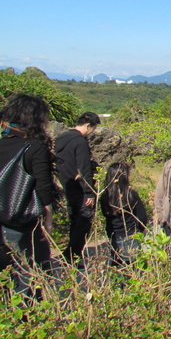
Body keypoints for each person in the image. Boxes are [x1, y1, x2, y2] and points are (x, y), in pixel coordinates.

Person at [0, 94, 55, 296]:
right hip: (20, 223)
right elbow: (43, 186)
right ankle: (28, 321)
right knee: (29, 277)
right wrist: (48, 216)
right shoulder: (34, 146)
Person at [54, 111, 101, 264]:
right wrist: (89, 192)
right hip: (80, 189)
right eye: (92, 128)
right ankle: (73, 257)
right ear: (88, 125)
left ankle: (70, 254)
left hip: (67, 184)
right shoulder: (79, 141)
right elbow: (84, 168)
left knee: (74, 220)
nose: (92, 132)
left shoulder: (62, 138)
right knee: (83, 222)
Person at [99, 163, 148, 267]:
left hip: (114, 235)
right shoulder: (130, 194)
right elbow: (142, 216)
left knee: (117, 264)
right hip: (130, 233)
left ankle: (117, 282)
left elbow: (105, 213)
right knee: (133, 265)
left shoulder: (105, 196)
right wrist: (141, 229)